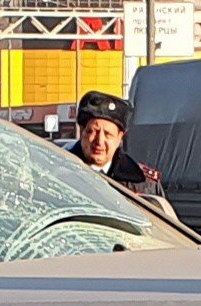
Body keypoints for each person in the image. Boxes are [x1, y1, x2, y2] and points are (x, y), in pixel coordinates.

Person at [67, 91, 176, 223]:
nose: (99, 141)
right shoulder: (59, 175)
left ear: (120, 138)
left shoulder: (143, 183)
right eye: (93, 132)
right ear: (82, 131)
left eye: (108, 134)